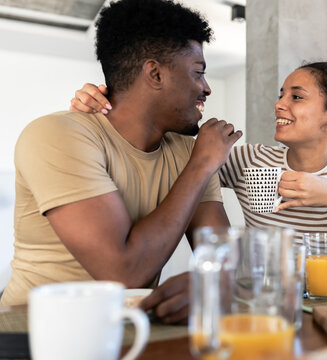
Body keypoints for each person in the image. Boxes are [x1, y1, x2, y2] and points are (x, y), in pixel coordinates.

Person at [70, 62, 327, 283]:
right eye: (281, 94)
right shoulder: (249, 161)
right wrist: (102, 110)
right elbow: (167, 158)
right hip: (262, 305)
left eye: (297, 97)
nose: (279, 104)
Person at [0, 0, 242, 326]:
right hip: (32, 333)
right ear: (154, 73)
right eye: (198, 73)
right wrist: (201, 165)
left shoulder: (192, 150)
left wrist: (214, 283)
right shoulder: (55, 134)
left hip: (129, 330)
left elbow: (223, 260)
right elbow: (122, 273)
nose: (206, 88)